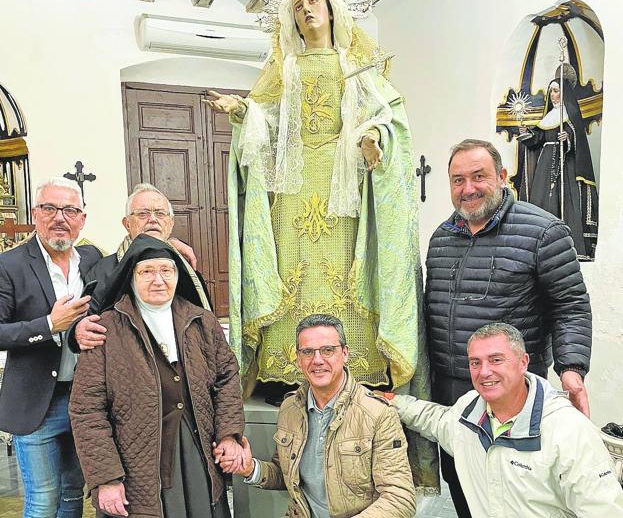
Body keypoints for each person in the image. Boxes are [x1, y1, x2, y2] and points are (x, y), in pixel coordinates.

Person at [205, 0, 426, 401]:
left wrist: (373, 138)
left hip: (345, 187)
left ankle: (358, 364)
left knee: (349, 266)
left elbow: (389, 117)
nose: (307, 9)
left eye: (314, 1)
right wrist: (243, 111)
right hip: (293, 184)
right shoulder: (283, 71)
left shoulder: (358, 66)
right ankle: (287, 370)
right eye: (299, 4)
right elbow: (266, 122)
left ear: (331, 11)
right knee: (291, 269)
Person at [426, 139, 592, 517]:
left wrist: (571, 369)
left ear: (502, 176)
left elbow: (571, 306)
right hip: (453, 395)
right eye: (457, 180)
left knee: (518, 496)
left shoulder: (544, 232)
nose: (467, 189)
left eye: (478, 176)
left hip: (512, 396)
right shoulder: (441, 239)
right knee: (465, 486)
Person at [69, 234, 244, 517]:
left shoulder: (202, 322)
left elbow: (227, 378)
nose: (158, 280)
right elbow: (86, 410)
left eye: (166, 270)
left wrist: (229, 435)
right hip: (135, 465)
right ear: (131, 277)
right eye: (147, 271)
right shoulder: (106, 329)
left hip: (197, 454)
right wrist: (105, 478)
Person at [389, 323, 623, 517]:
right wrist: (392, 401)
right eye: (475, 362)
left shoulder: (569, 431)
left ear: (523, 362)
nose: (484, 372)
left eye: (496, 359)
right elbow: (435, 419)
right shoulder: (468, 413)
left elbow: (605, 511)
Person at [216, 313, 417, 518]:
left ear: (345, 353)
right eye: (308, 352)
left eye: (328, 350)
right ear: (298, 358)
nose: (317, 360)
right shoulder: (290, 408)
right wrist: (251, 468)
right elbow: (286, 473)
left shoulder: (378, 415)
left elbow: (399, 498)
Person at [0, 177, 102, 517]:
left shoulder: (91, 259)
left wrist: (171, 245)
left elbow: (133, 258)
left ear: (82, 219)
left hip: (84, 399)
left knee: (73, 494)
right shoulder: (10, 265)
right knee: (43, 500)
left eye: (70, 210)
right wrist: (48, 325)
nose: (60, 217)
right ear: (35, 213)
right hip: (37, 404)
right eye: (50, 208)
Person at [69, 182, 211, 352]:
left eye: (160, 213)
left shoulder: (185, 268)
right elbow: (86, 325)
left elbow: (204, 324)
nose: (153, 219)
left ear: (171, 223)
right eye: (143, 214)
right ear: (127, 223)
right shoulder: (103, 271)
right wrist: (78, 331)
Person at [517, 69, 598, 260]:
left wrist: (567, 137)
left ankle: (567, 245)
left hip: (565, 166)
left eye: (557, 90)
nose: (554, 95)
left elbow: (578, 138)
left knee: (564, 202)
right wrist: (527, 133)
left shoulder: (570, 116)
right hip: (544, 166)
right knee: (542, 202)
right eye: (551, 91)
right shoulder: (549, 117)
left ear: (565, 92)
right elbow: (538, 139)